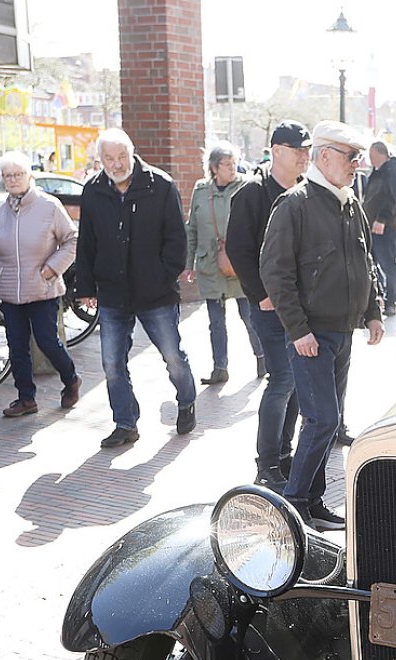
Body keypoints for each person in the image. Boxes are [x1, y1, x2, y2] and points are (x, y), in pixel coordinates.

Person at [259, 120, 385, 532]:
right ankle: (294, 504)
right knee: (323, 420)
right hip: (311, 334)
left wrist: (373, 311)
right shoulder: (295, 204)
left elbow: (366, 262)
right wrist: (298, 331)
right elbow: (275, 273)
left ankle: (312, 502)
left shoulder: (350, 203)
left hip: (340, 330)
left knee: (327, 421)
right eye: (351, 157)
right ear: (325, 156)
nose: (357, 165)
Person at [72, 128, 195, 448]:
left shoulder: (160, 185)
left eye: (121, 156)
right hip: (112, 293)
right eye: (109, 158)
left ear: (132, 152)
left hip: (156, 293)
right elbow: (86, 243)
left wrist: (162, 275)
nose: (116, 164)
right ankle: (125, 423)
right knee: (112, 363)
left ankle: (186, 400)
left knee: (173, 356)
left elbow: (177, 241)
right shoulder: (93, 190)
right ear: (100, 160)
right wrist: (85, 287)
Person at [227, 121, 309, 489]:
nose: (305, 156)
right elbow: (238, 249)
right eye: (298, 150)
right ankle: (267, 464)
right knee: (283, 380)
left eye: (307, 150)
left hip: (301, 305)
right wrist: (261, 294)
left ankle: (285, 456)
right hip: (268, 306)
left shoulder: (307, 192)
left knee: (296, 382)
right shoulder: (252, 193)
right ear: (277, 150)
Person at [0, 150, 83, 418]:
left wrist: (52, 269)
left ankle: (71, 379)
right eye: (7, 175)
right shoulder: (1, 213)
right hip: (10, 293)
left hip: (43, 289)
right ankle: (26, 398)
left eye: (18, 174)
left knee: (48, 342)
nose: (13, 180)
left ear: (29, 176)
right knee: (17, 347)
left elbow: (72, 241)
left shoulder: (49, 206)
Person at [183, 143, 264, 386]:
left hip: (240, 265)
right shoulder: (201, 190)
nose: (232, 168)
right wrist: (188, 264)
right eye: (227, 164)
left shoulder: (247, 186)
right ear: (214, 167)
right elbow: (192, 229)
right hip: (210, 265)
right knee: (216, 322)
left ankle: (263, 358)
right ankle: (220, 368)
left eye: (233, 163)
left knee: (249, 317)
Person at [363, 140, 396, 318]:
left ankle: (391, 300)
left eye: (371, 154)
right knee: (373, 262)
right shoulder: (377, 172)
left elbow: (393, 198)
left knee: (388, 263)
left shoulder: (391, 172)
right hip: (373, 225)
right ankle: (379, 296)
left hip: (386, 226)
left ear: (379, 153)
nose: (369, 158)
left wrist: (382, 219)